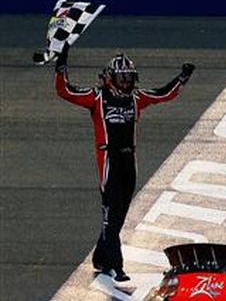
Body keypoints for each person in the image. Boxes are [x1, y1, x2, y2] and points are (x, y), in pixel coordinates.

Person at [54, 45, 195, 282]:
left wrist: (182, 78)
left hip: (130, 160)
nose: (126, 83)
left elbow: (163, 94)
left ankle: (100, 257)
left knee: (119, 215)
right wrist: (62, 63)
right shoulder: (96, 97)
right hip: (109, 159)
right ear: (110, 78)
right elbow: (64, 90)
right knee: (110, 214)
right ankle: (115, 266)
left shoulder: (137, 98)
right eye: (121, 78)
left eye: (129, 78)